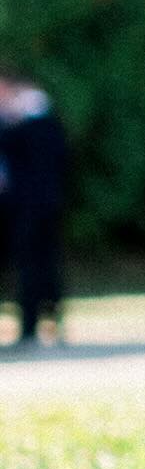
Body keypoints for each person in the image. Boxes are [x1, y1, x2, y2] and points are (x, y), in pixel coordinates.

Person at [0, 74, 68, 349]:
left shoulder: (23, 125)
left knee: (32, 264)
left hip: (28, 206)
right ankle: (52, 319)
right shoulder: (50, 122)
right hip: (48, 203)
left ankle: (31, 325)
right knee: (46, 263)